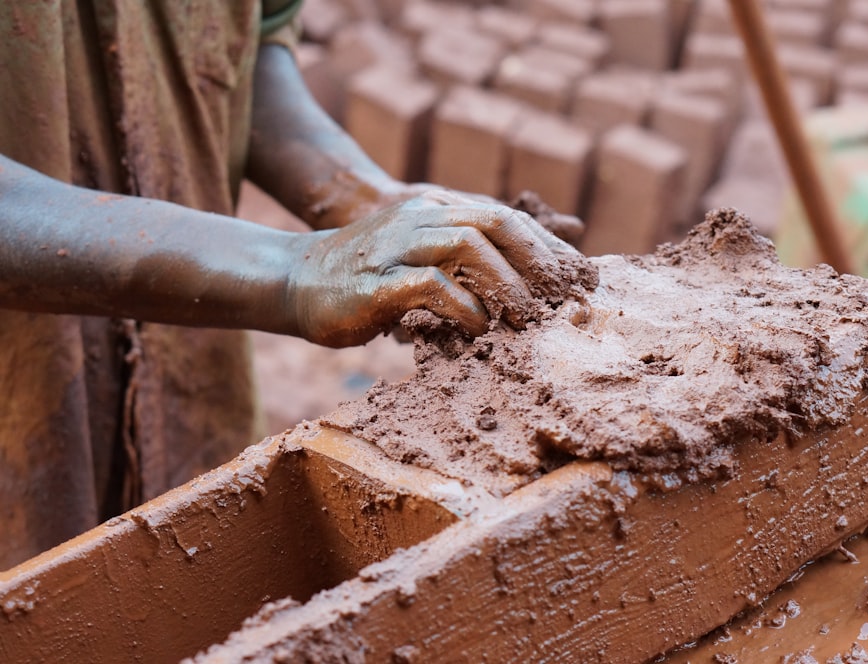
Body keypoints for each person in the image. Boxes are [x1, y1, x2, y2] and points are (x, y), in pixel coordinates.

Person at [0, 1, 581, 569]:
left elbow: (248, 43)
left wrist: (360, 197)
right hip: (20, 422)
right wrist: (294, 271)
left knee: (202, 567)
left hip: (196, 377)